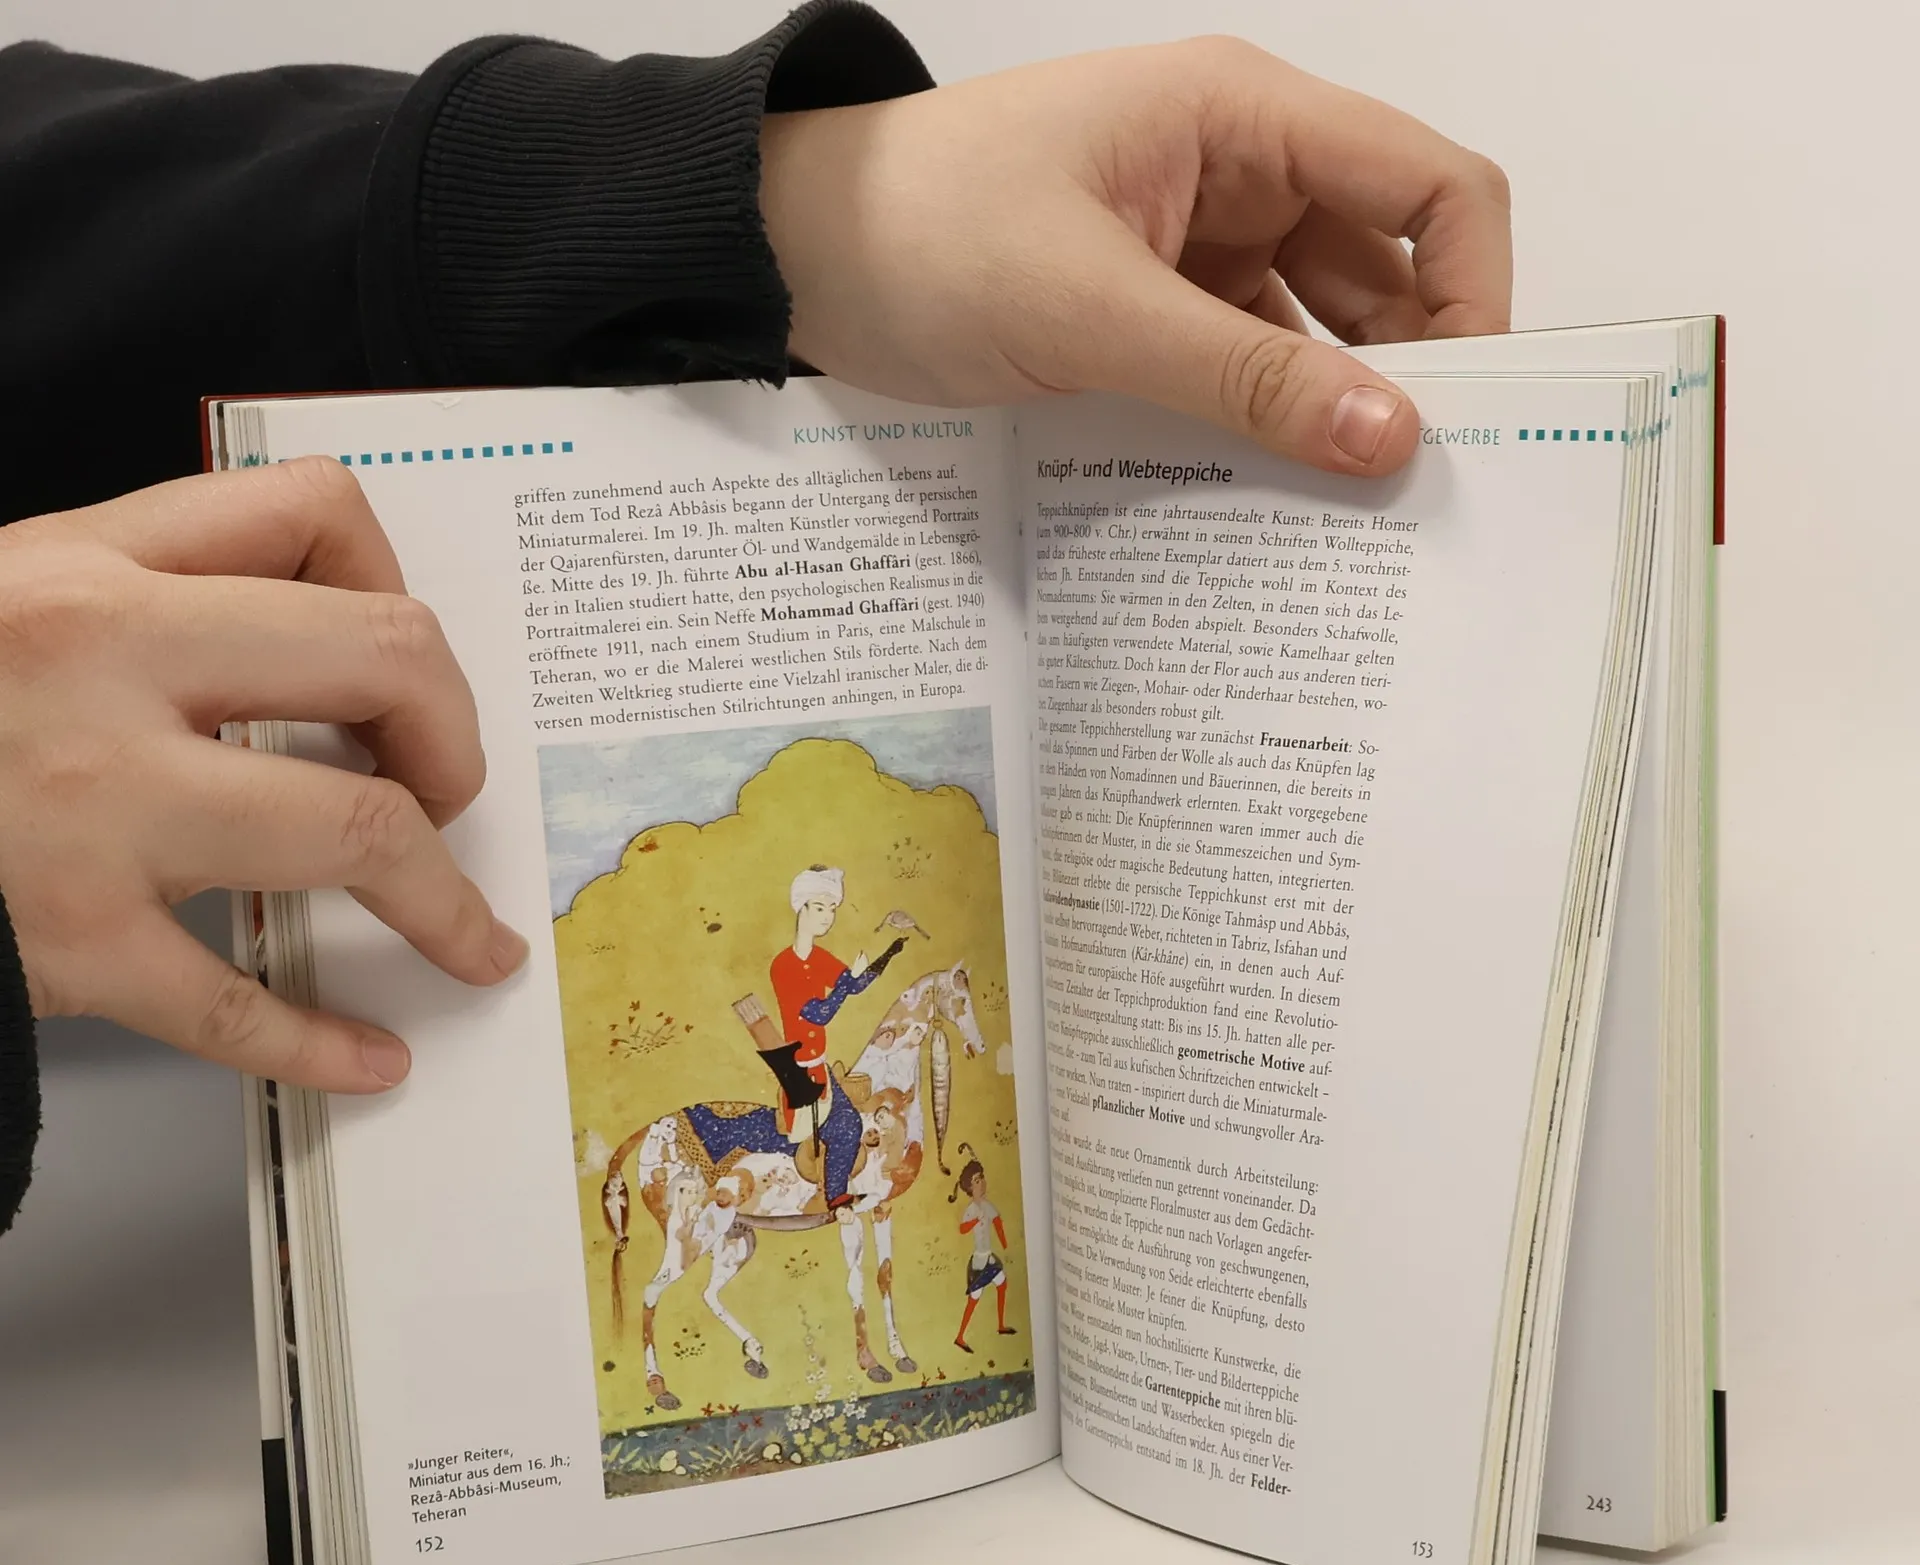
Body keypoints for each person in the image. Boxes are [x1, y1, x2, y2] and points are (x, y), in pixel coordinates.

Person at [0, 4, 1512, 1236]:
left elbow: (60, 217)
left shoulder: (820, 955)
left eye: (819, 901)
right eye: (813, 900)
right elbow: (808, 1014)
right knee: (837, 1126)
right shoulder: (795, 976)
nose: (816, 910)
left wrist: (780, 200)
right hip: (778, 1079)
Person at [767, 866, 902, 1210]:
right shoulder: (783, 966)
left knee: (848, 1124)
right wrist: (844, 984)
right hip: (799, 1070)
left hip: (820, 1067)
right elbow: (819, 1013)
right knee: (829, 1128)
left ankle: (836, 1196)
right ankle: (830, 1196)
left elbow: (853, 984)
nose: (827, 917)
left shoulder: (819, 957)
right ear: (801, 908)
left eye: (832, 909)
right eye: (819, 907)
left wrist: (888, 955)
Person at [951, 1151, 1014, 1353]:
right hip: (980, 1261)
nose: (981, 1183)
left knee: (1002, 1284)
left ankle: (1001, 1325)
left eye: (982, 1178)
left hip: (989, 1256)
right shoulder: (972, 1209)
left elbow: (997, 1222)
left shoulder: (987, 1205)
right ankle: (960, 1336)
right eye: (976, 1181)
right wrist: (974, 1221)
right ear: (969, 1187)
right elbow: (962, 1229)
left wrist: (1005, 1244)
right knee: (974, 1299)